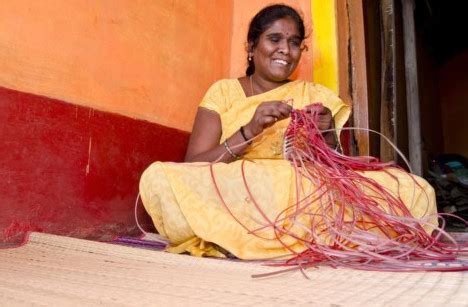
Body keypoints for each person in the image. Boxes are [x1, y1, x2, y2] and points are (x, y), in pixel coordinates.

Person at [139, 4, 437, 259]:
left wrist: (328, 135)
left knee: (414, 188)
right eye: (274, 39)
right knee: (163, 178)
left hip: (304, 192)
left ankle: (253, 235)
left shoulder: (314, 93)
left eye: (294, 42)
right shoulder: (224, 91)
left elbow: (339, 171)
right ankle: (294, 235)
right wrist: (250, 130)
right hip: (247, 190)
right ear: (251, 46)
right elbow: (195, 165)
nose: (285, 50)